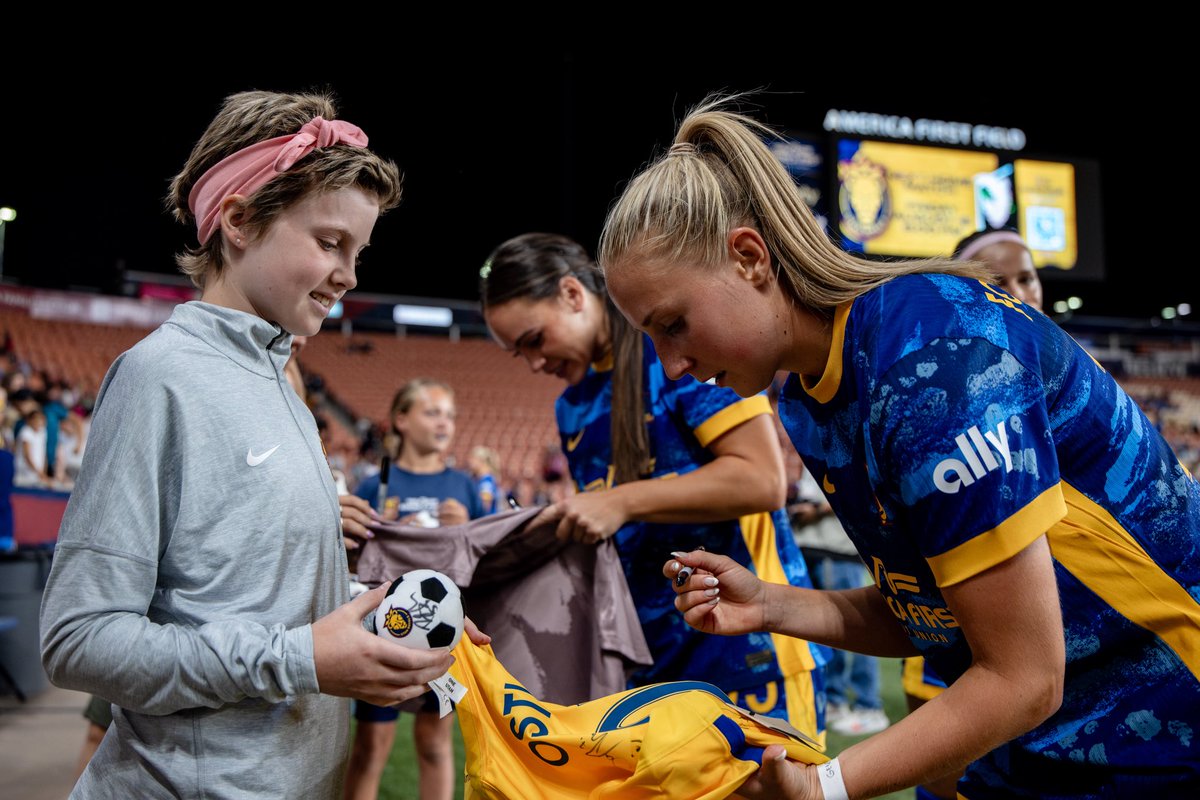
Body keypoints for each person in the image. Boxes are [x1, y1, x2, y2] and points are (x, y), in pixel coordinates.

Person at [599, 95, 1200, 798]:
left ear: (750, 257)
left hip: (1160, 730)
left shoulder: (932, 359)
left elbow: (1025, 676)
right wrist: (770, 604)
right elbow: (936, 613)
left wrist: (823, 786)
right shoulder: (806, 396)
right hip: (1038, 744)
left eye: (673, 324)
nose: (671, 367)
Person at [39, 89, 469, 799]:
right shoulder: (160, 376)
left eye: (359, 251)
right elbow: (79, 641)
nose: (350, 275)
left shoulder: (282, 382)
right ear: (238, 221)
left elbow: (239, 593)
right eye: (330, 243)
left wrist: (389, 616)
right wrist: (300, 659)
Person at [481, 232, 828, 743]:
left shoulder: (678, 348)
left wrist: (619, 502)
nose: (535, 363)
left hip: (748, 649)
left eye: (534, 339)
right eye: (519, 354)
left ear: (574, 295)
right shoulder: (570, 406)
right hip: (652, 662)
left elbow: (762, 478)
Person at [343, 378, 484, 800]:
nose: (445, 423)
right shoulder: (374, 484)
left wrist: (465, 531)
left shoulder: (464, 486)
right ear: (401, 420)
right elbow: (351, 558)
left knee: (435, 744)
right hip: (381, 629)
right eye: (432, 412)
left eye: (450, 415)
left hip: (442, 636)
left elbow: (485, 560)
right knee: (369, 747)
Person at [789, 466, 888, 737]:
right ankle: (835, 701)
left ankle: (869, 705)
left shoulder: (843, 445)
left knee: (859, 627)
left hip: (837, 549)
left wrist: (818, 509)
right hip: (812, 546)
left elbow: (862, 494)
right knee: (824, 633)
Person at [466, 444, 502, 515]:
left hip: (486, 522)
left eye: (472, 459)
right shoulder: (476, 479)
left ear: (480, 460)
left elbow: (485, 506)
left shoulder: (486, 482)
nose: (469, 462)